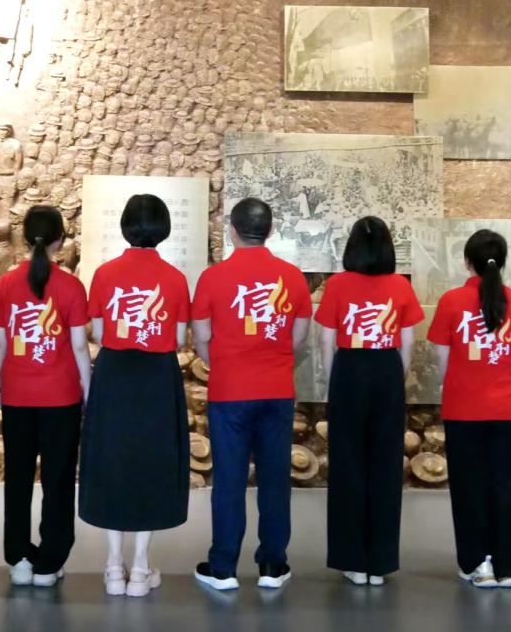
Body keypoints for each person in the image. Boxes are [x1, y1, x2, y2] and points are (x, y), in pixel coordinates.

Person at [191, 197, 312, 590]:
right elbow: (298, 338)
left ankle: (223, 567)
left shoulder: (212, 278)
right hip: (277, 390)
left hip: (229, 391)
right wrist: (273, 358)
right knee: (275, 479)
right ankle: (273, 565)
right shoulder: (293, 277)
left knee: (229, 479)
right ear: (270, 230)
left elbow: (201, 337)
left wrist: (223, 362)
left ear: (232, 230)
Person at [79, 195, 190, 596]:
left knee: (113, 459)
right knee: (151, 462)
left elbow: (96, 331)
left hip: (115, 374)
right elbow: (179, 338)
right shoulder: (175, 279)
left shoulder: (104, 273)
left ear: (125, 225)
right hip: (157, 376)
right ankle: (140, 568)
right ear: (163, 228)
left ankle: (113, 566)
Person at [315, 216, 423, 586]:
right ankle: (379, 562)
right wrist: (397, 376)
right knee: (386, 465)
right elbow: (408, 340)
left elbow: (326, 339)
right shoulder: (400, 285)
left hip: (349, 368)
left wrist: (333, 378)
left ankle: (352, 561)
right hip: (387, 369)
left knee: (347, 463)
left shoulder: (337, 284)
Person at [0, 206, 90, 588]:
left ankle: (18, 559)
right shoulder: (71, 286)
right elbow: (78, 347)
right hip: (61, 398)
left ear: (24, 237)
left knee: (16, 479)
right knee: (58, 481)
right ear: (60, 241)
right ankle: (49, 562)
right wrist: (88, 392)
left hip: (17, 396)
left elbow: (0, 344)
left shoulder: (4, 285)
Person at [428, 229, 511, 589]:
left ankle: (476, 564)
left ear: (466, 262)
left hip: (464, 409)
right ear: (502, 262)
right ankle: (506, 566)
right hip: (508, 410)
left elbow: (442, 358)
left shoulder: (451, 301)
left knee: (468, 486)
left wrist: (460, 380)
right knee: (504, 487)